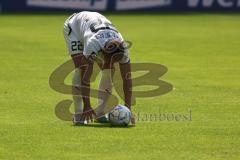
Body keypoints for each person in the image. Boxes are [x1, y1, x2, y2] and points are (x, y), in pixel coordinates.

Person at [63, 11, 134, 125]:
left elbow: (127, 79)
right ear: (103, 52)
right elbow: (85, 78)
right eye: (109, 60)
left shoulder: (124, 49)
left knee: (108, 70)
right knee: (80, 68)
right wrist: (87, 105)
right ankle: (79, 115)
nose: (110, 63)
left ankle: (101, 113)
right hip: (74, 27)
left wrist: (128, 107)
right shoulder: (93, 44)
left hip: (94, 26)